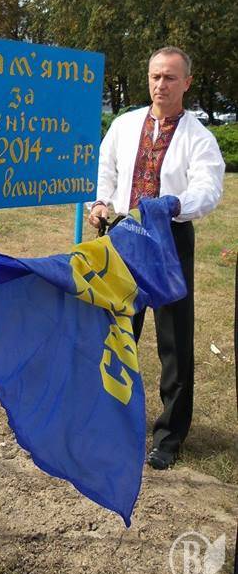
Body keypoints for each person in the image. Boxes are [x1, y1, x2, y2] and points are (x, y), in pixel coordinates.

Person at [88, 47, 224, 471]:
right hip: (124, 235)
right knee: (117, 330)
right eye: (155, 76)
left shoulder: (198, 137)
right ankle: (112, 421)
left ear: (187, 82)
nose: (160, 84)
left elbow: (209, 187)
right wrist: (100, 202)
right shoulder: (125, 125)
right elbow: (105, 169)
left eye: (169, 77)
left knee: (174, 339)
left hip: (170, 238)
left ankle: (169, 436)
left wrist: (174, 204)